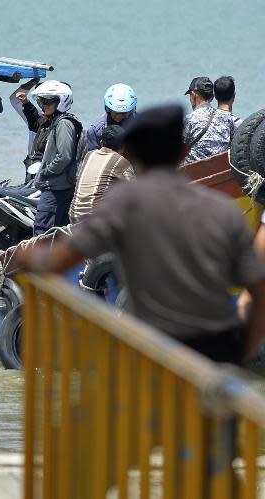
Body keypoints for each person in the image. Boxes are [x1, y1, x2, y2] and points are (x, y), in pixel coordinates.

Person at [16, 104, 265, 365]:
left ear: (131, 152)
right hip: (219, 360)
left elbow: (57, 261)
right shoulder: (223, 210)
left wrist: (26, 259)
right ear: (185, 152)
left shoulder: (126, 203)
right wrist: (244, 352)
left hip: (158, 353)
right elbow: (259, 290)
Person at [30, 80, 83, 235]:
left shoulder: (64, 124)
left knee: (41, 233)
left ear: (61, 101)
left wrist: (46, 171)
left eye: (48, 101)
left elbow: (64, 156)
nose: (43, 105)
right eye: (41, 101)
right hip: (57, 187)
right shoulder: (56, 122)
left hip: (55, 189)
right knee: (55, 234)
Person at [69, 125, 134, 225]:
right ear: (124, 146)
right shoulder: (120, 162)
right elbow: (136, 190)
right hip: (94, 220)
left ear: (101, 143)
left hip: (73, 215)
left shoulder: (89, 155)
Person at [182, 76, 238, 164]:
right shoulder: (227, 118)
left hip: (194, 172)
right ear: (212, 97)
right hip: (221, 168)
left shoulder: (189, 119)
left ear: (194, 95)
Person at [85, 83, 137, 152]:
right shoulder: (95, 131)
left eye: (124, 113)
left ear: (132, 110)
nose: (119, 117)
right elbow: (94, 157)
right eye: (116, 113)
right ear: (108, 110)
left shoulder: (143, 125)